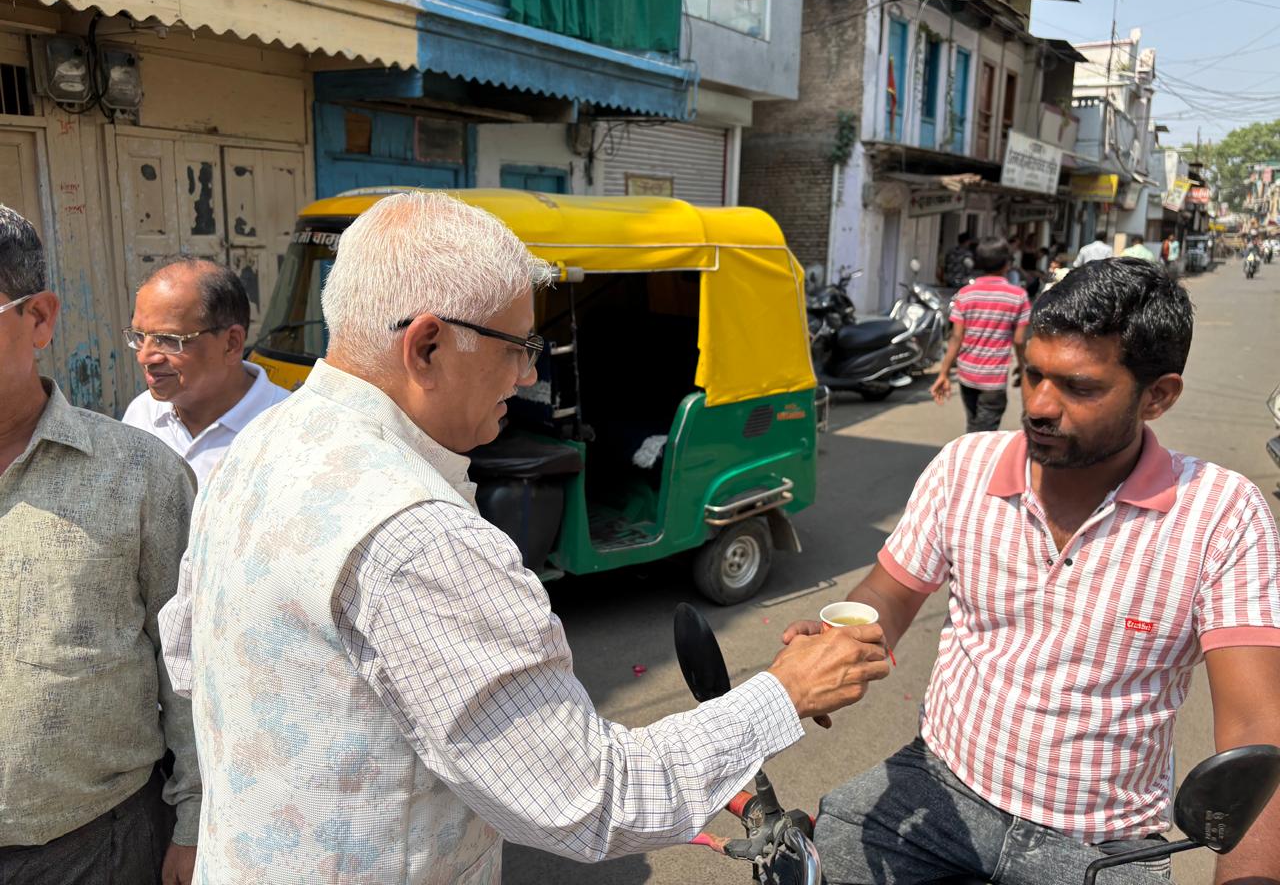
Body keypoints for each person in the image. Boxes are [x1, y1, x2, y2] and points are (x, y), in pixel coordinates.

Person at [159, 191, 891, 884]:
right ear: (428, 345)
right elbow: (593, 800)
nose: (531, 372)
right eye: (519, 345)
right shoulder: (419, 538)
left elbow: (187, 657)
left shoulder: (256, 447)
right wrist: (783, 692)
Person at [790, 258, 1280, 885]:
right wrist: (845, 643)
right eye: (1033, 376)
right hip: (941, 782)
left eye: (1079, 388)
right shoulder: (963, 466)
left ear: (1158, 395)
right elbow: (890, 591)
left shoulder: (1222, 514)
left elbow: (1256, 733)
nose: (1040, 407)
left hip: (1104, 840)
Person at [0, 206, 201, 884]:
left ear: (40, 320)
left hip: (95, 847)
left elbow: (192, 667)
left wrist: (197, 819)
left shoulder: (141, 475)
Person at [122, 259, 289, 488]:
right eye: (140, 336)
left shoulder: (291, 427)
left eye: (169, 340)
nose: (145, 357)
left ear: (231, 343)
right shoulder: (142, 415)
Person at [930, 237, 1030, 433]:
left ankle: (970, 459)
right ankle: (974, 462)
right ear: (1007, 264)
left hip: (967, 376)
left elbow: (956, 338)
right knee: (984, 435)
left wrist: (943, 373)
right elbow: (1019, 340)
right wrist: (1022, 366)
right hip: (993, 380)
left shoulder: (966, 294)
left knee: (974, 427)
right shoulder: (1018, 296)